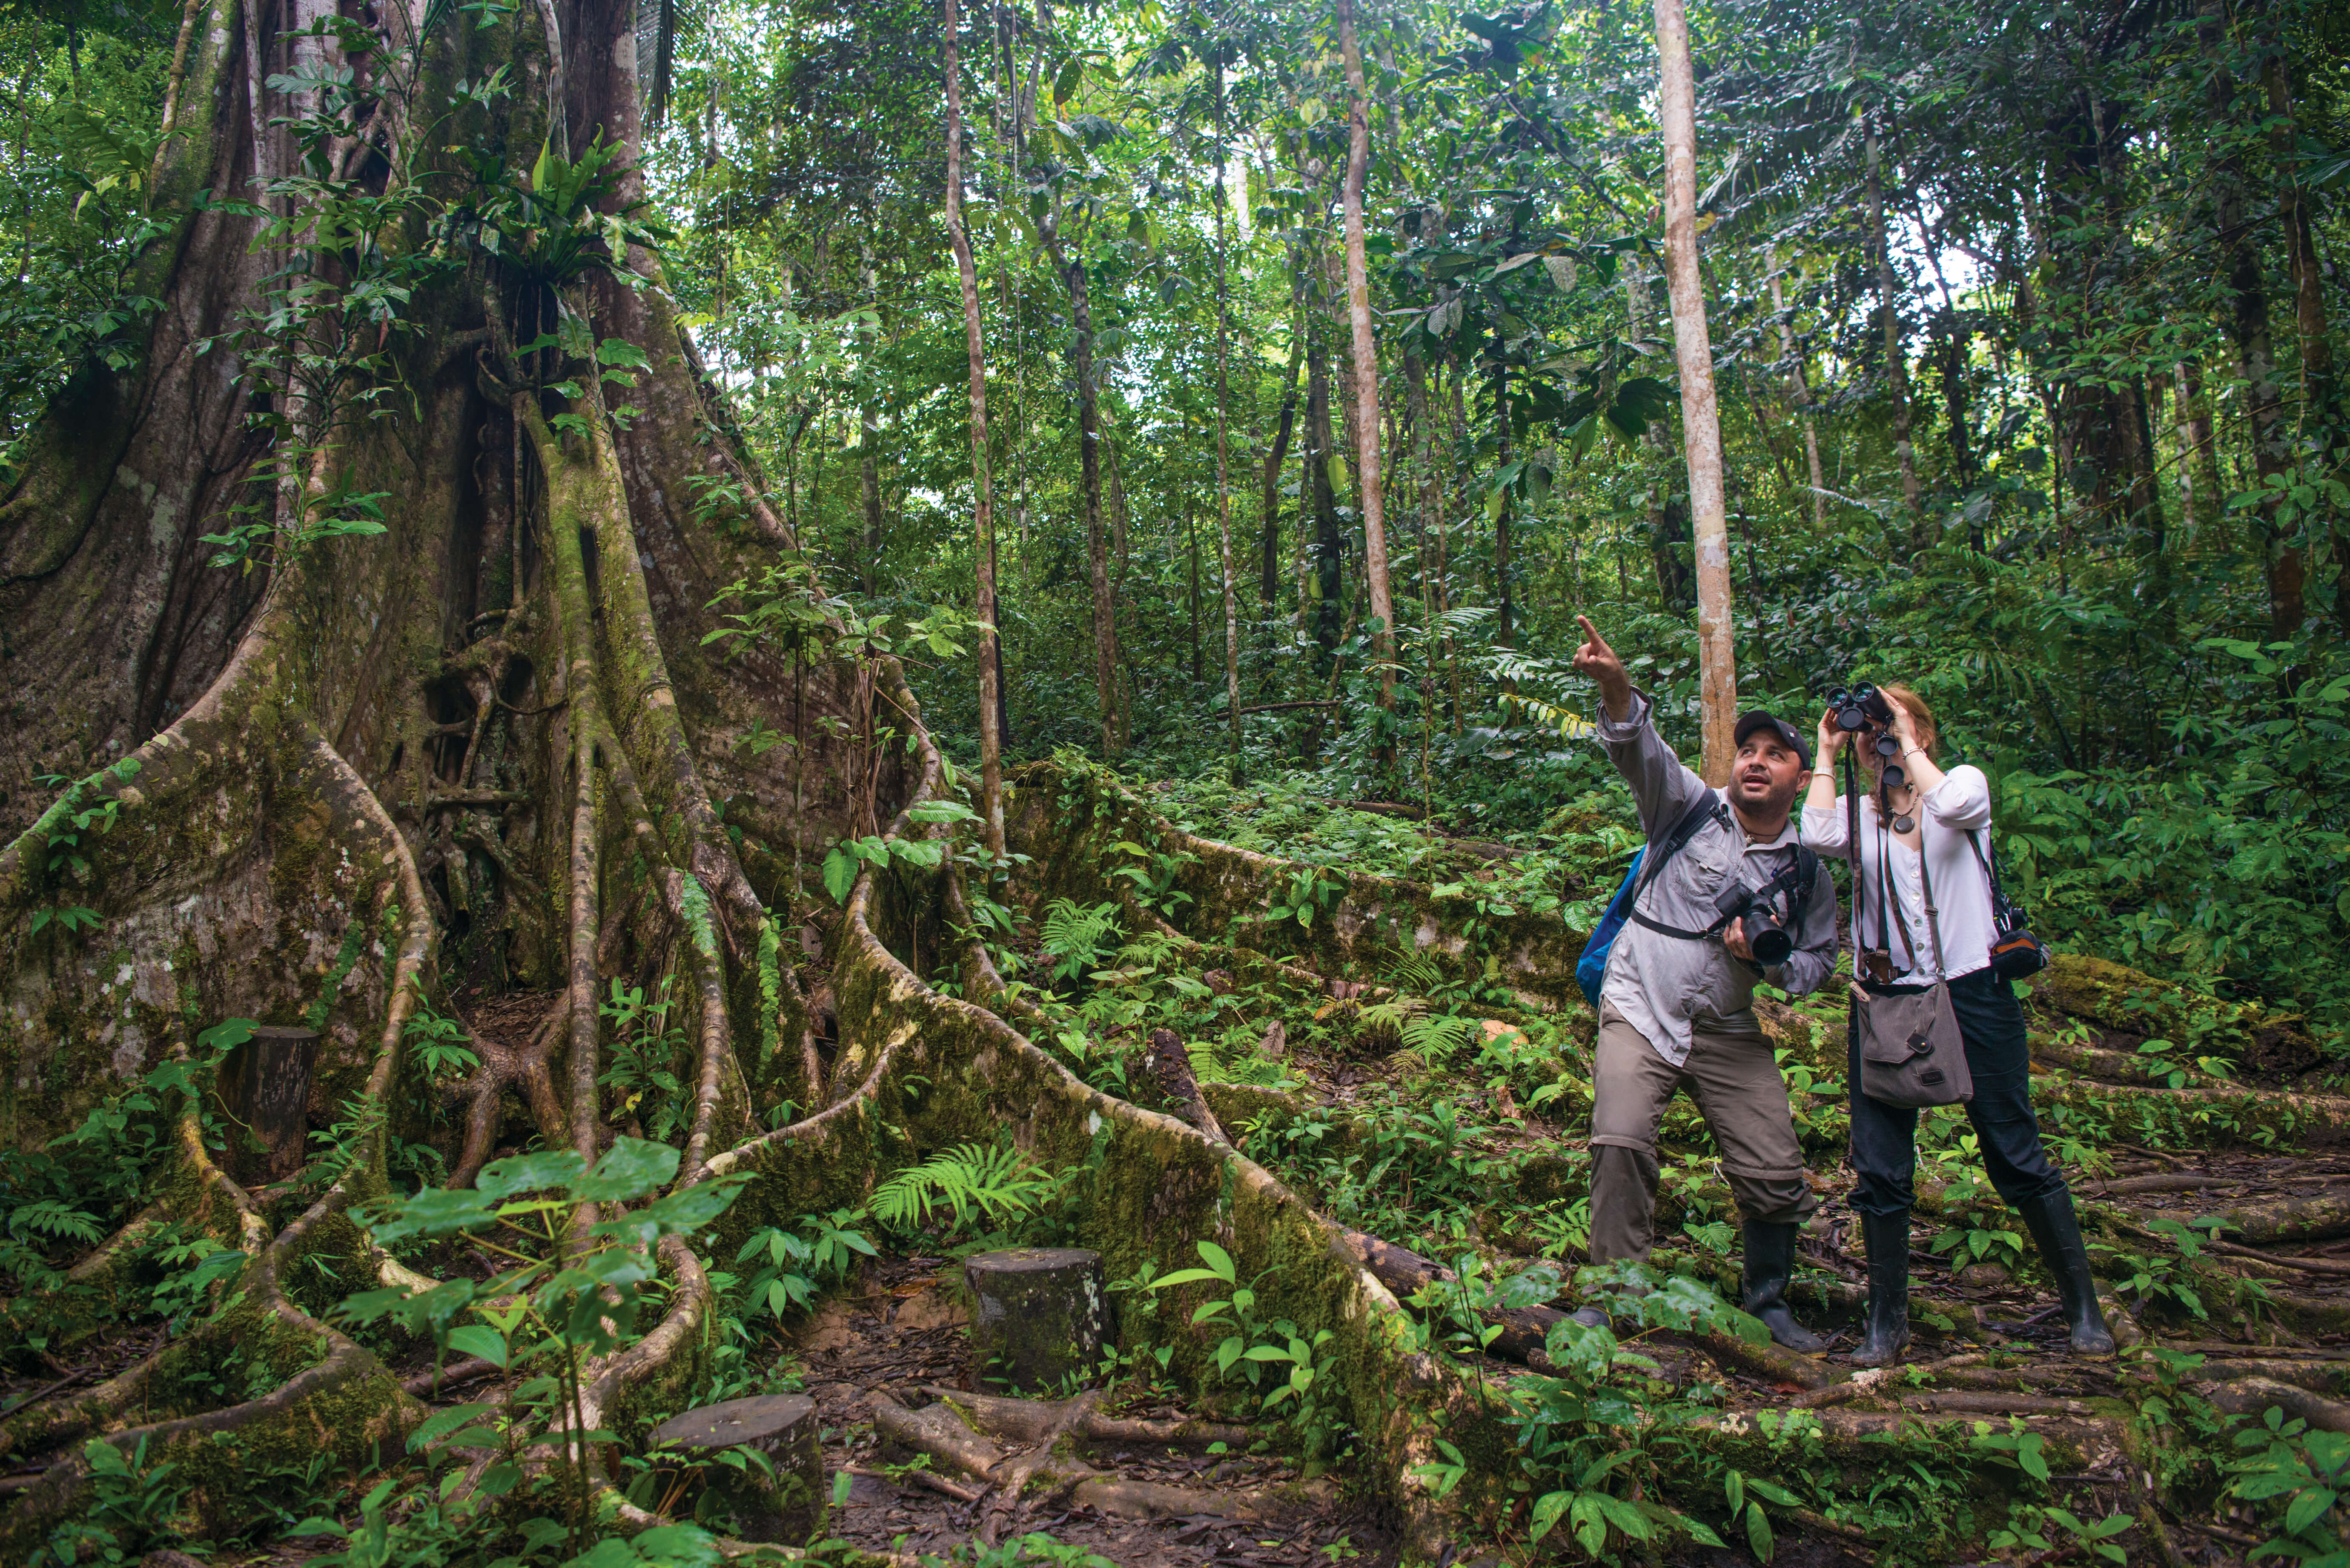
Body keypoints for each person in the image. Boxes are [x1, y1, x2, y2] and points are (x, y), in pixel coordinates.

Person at [1802, 684, 2114, 1363]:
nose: (1877, 732)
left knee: (2014, 1152)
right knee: (1882, 1167)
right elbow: (1817, 835)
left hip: (1976, 990)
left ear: (1924, 731)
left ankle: (2084, 1309)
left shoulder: (1959, 786)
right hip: (1886, 1000)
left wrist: (1903, 741)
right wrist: (1828, 749)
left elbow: (1958, 805)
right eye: (1871, 726)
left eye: (1893, 720)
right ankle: (1886, 1324)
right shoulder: (1859, 815)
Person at [1570, 617, 1839, 1351]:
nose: (1756, 763)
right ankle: (1610, 1296)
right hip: (1641, 1000)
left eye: (1775, 755)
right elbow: (1637, 749)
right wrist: (1617, 686)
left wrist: (1770, 959)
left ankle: (1769, 1300)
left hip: (1724, 1024)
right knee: (1620, 1140)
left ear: (1800, 778)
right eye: (1747, 751)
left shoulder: (1810, 870)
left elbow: (1818, 967)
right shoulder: (1686, 808)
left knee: (1775, 1166)